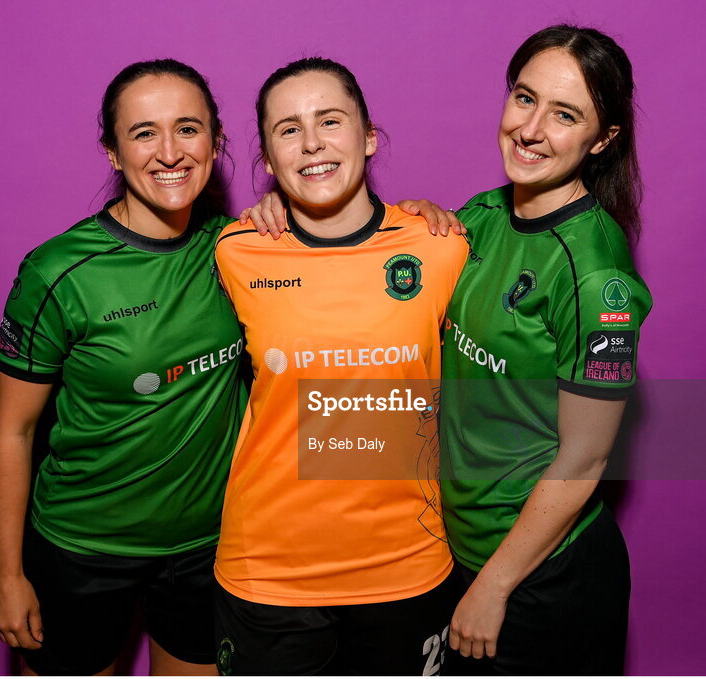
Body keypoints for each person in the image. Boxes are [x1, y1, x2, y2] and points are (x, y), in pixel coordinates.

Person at [0, 59, 248, 676]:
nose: (169, 151)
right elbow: (11, 433)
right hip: (83, 552)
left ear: (215, 141)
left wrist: (415, 215)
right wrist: (7, 574)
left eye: (188, 128)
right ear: (112, 152)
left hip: (207, 550)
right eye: (143, 132)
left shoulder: (241, 250)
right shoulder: (59, 272)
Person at [212, 57, 469, 675]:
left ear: (369, 135)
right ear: (268, 162)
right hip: (268, 573)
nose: (313, 143)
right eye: (288, 129)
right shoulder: (236, 251)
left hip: (407, 566)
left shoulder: (441, 247)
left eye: (330, 120)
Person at [440, 25, 652, 675]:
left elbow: (584, 459)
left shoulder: (596, 276)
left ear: (602, 139)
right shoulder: (481, 213)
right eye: (523, 98)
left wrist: (494, 586)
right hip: (460, 551)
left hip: (540, 578)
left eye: (564, 115)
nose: (530, 129)